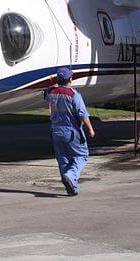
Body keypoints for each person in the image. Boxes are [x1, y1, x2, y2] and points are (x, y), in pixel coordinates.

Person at [44, 67, 95, 196]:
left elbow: (45, 94)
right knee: (81, 156)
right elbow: (82, 114)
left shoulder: (52, 93)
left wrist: (54, 85)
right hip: (71, 131)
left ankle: (72, 188)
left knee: (63, 159)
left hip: (56, 131)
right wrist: (90, 129)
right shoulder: (73, 95)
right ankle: (71, 176)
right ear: (70, 79)